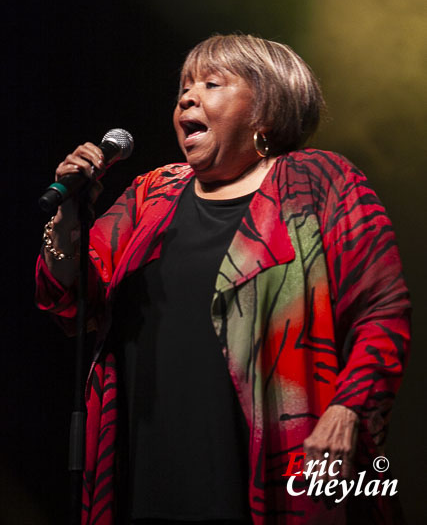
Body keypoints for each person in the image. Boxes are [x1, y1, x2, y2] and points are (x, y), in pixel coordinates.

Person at [35, 34, 411, 525]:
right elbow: (72, 295)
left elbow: (382, 309)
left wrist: (349, 408)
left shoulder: (318, 182)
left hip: (274, 457)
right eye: (183, 90)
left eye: (211, 84)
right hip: (148, 462)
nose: (187, 98)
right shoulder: (154, 193)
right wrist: (66, 218)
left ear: (266, 112)